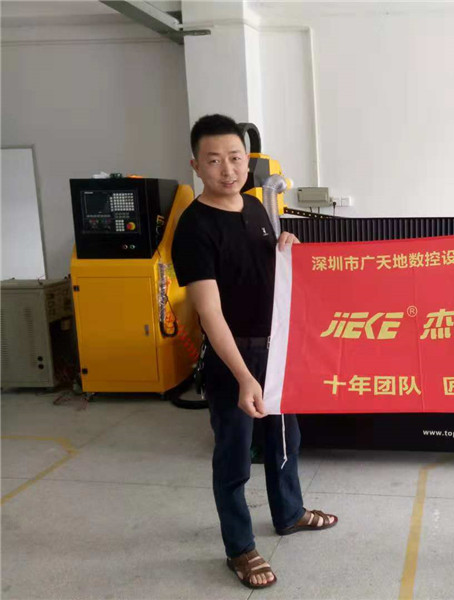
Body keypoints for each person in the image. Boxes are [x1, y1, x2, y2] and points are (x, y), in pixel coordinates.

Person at [172, 114, 338, 590]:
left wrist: (286, 245)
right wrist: (245, 376)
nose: (227, 169)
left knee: (285, 440)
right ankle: (240, 548)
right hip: (233, 360)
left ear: (249, 161)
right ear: (196, 166)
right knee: (234, 457)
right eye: (214, 160)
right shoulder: (194, 228)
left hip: (276, 351)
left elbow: (264, 274)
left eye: (235, 158)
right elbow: (210, 313)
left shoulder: (253, 207)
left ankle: (289, 513)